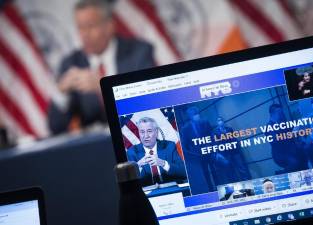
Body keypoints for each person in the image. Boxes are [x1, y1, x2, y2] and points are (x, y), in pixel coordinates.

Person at [48, 0, 155, 134]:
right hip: (96, 147)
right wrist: (61, 92)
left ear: (109, 26)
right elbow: (56, 127)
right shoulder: (72, 63)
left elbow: (148, 106)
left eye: (90, 26)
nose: (84, 34)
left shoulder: (138, 53)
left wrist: (103, 89)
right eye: (80, 27)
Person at [126, 117, 186, 187]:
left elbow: (184, 172)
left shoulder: (169, 146)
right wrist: (137, 166)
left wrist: (164, 164)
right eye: (142, 132)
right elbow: (130, 184)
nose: (146, 136)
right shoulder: (132, 152)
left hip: (171, 190)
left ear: (156, 132)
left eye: (149, 131)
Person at [179, 106, 217, 194]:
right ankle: (211, 191)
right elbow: (185, 146)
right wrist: (194, 154)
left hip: (210, 152)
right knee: (205, 174)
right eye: (195, 114)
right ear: (190, 116)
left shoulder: (205, 122)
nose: (198, 116)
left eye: (198, 114)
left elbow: (212, 136)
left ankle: (219, 189)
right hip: (198, 156)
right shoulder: (185, 129)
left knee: (215, 171)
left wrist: (214, 148)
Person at [266, 104, 308, 173]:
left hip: (290, 150)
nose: (281, 114)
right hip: (280, 154)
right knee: (295, 162)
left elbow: (292, 133)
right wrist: (291, 134)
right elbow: (276, 140)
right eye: (279, 113)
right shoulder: (269, 127)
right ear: (273, 114)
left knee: (304, 156)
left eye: (281, 113)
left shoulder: (282, 123)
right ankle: (282, 173)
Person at [212, 117, 251, 185]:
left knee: (241, 168)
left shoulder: (229, 129)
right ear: (217, 123)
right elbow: (216, 143)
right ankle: (236, 186)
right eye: (218, 120)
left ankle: (247, 183)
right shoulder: (215, 132)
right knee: (231, 171)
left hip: (235, 152)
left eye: (221, 120)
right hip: (226, 154)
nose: (220, 122)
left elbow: (234, 139)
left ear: (223, 121)